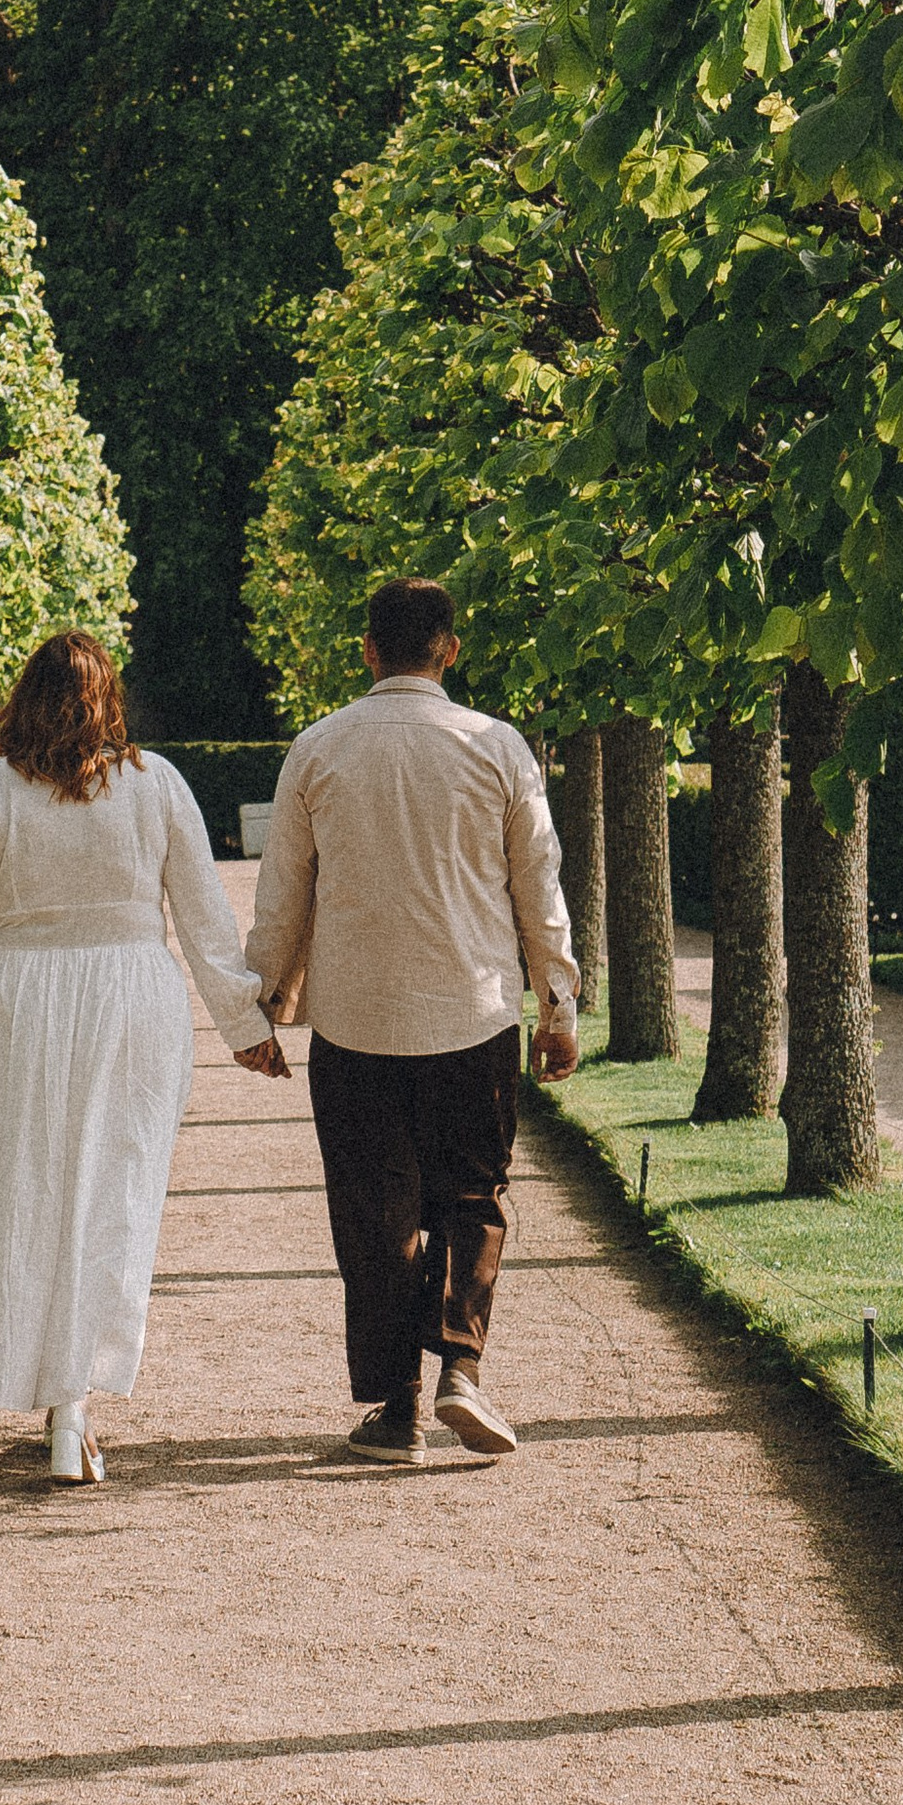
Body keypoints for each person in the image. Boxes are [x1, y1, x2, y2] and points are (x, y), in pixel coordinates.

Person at [0, 631, 288, 1484]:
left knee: (23, 1192)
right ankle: (72, 1407)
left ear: (22, 698)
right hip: (131, 997)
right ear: (109, 701)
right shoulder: (157, 785)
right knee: (116, 1193)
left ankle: (61, 1398)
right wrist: (245, 1025)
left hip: (17, 1001)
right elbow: (206, 921)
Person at [244, 577, 579, 1467]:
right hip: (473, 1013)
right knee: (474, 1196)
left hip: (355, 1022)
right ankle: (461, 1368)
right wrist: (559, 1006)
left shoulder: (318, 749)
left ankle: (396, 1412)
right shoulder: (498, 748)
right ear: (450, 651)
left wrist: (260, 1008)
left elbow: (283, 896)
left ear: (367, 651)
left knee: (374, 1213)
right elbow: (538, 888)